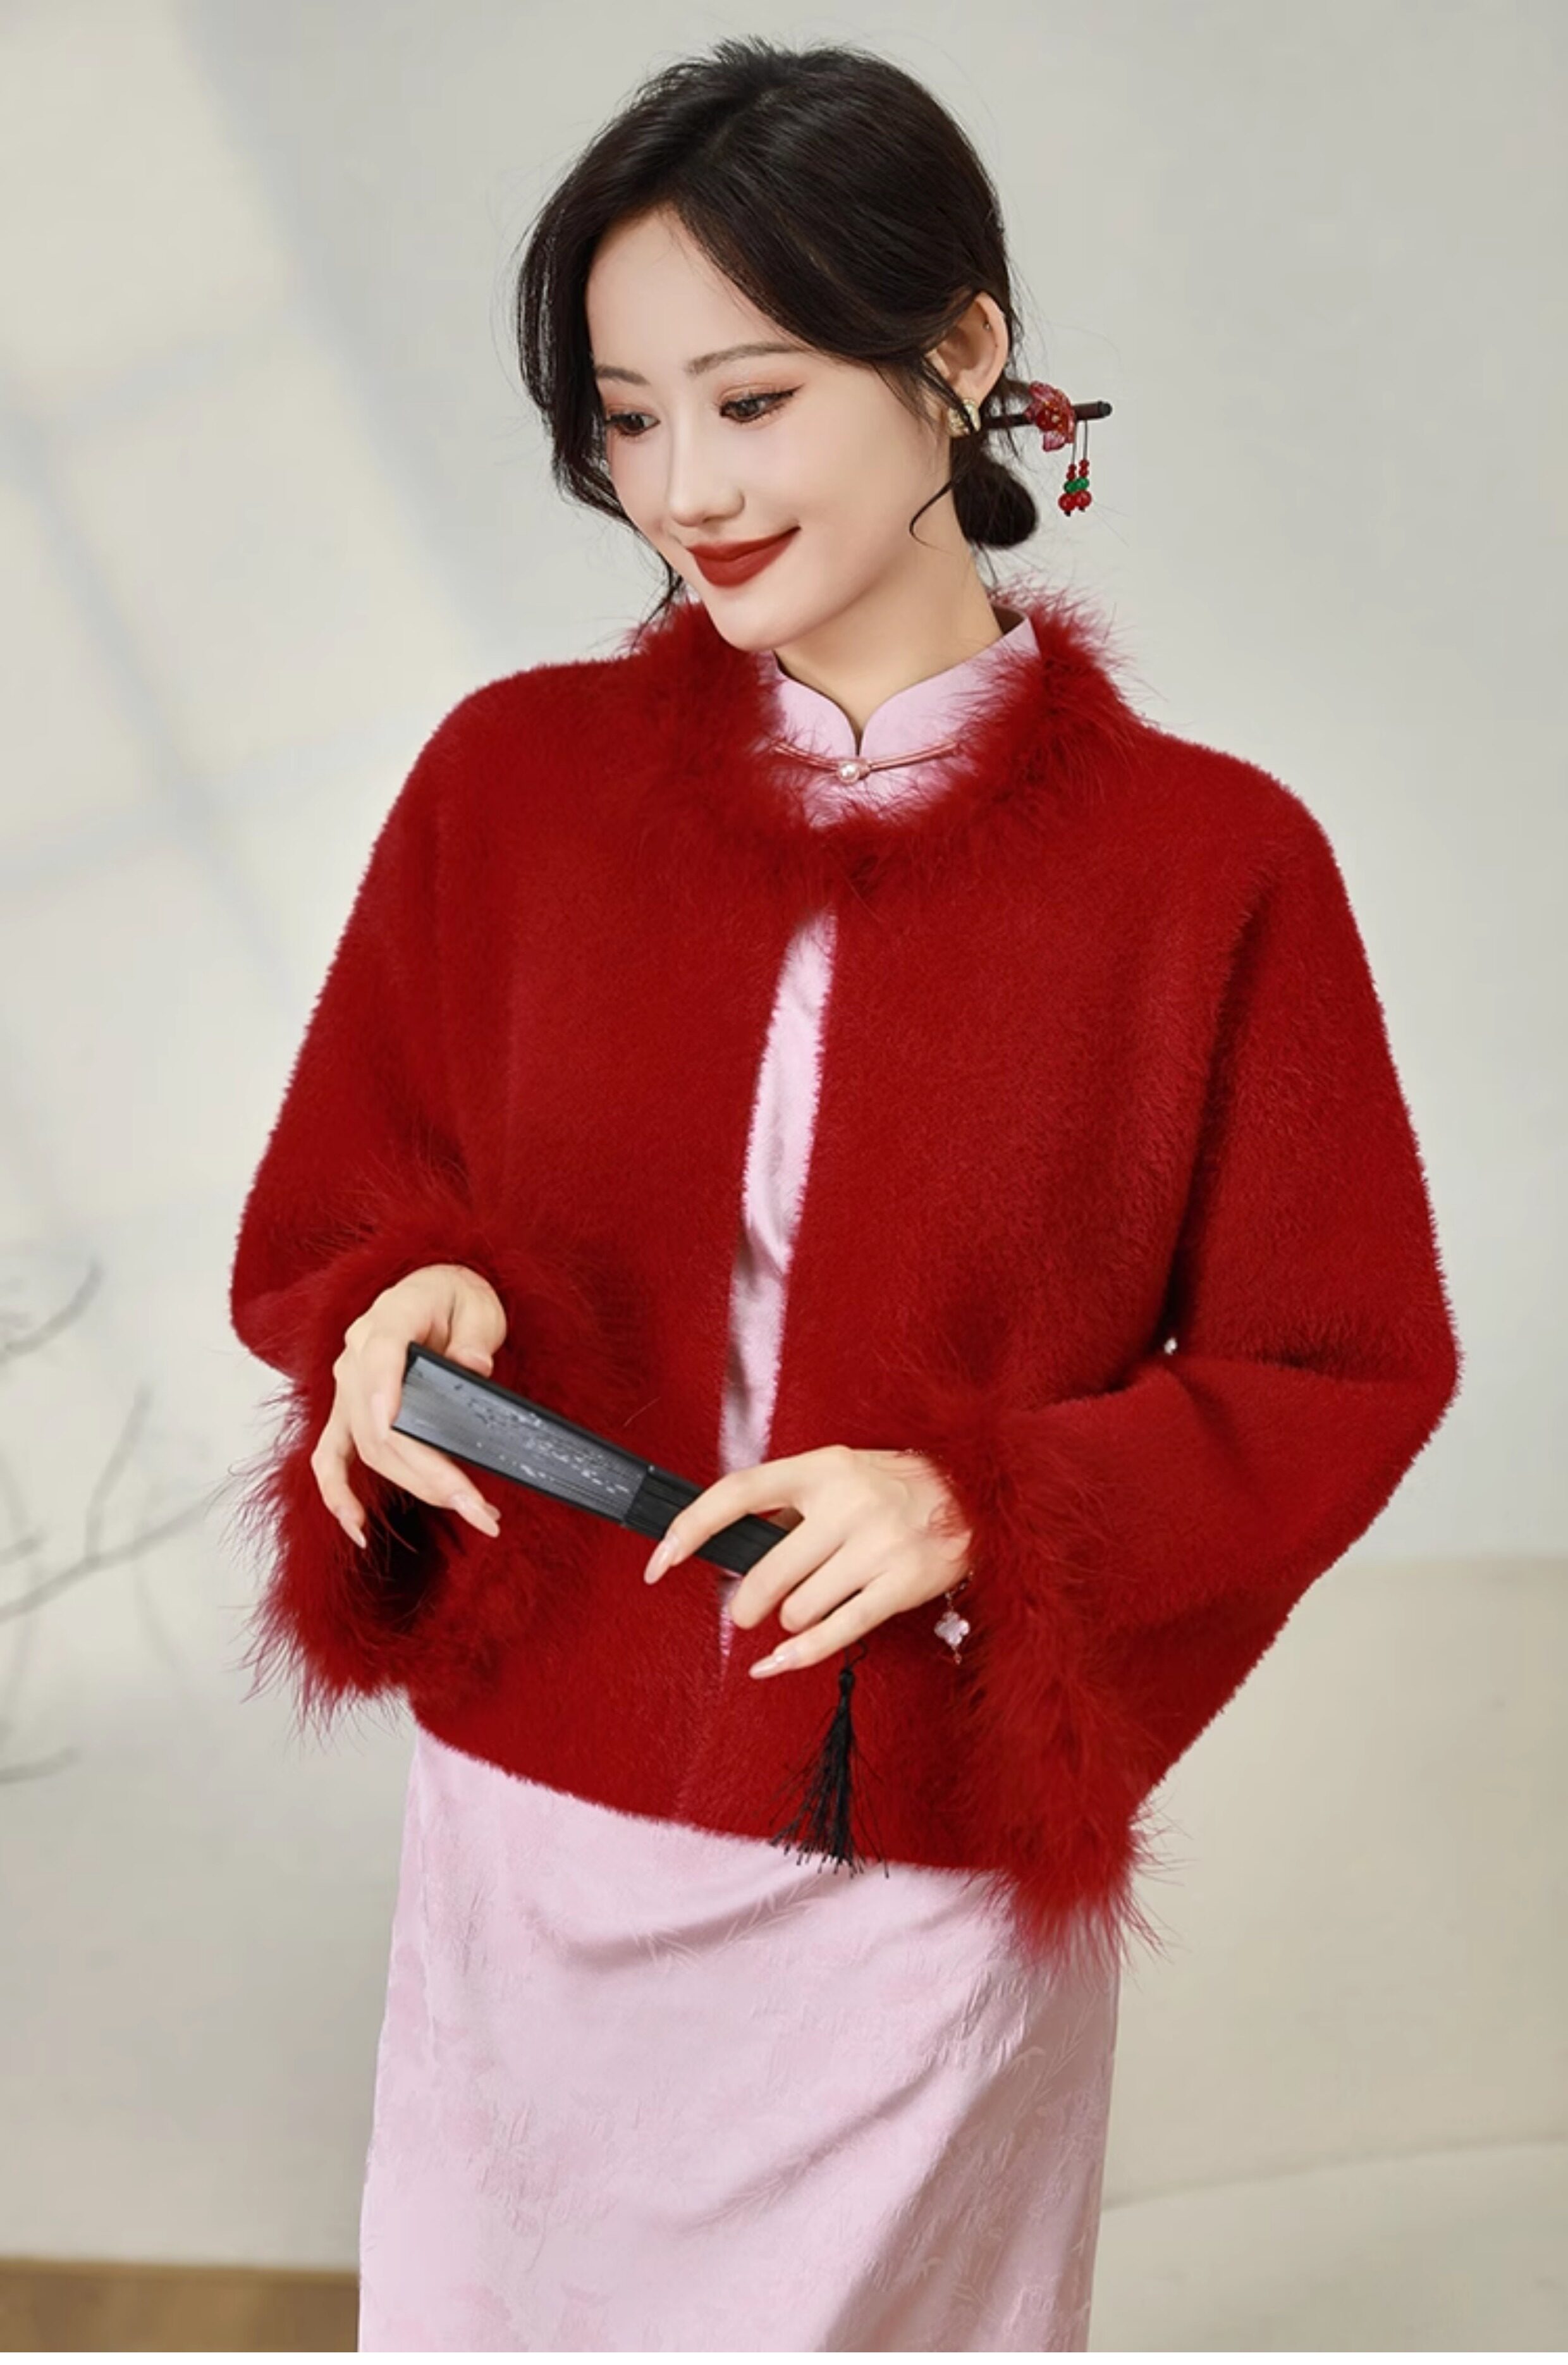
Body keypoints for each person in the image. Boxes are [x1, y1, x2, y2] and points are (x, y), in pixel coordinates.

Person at [224, 36, 1461, 2354]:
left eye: (755, 397)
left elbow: (1343, 1364)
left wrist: (991, 1500)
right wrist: (405, 1303)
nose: (684, 485)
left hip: (917, 1882)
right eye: (627, 416)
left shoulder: (1212, 867)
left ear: (960, 356)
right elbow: (329, 1215)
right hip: (533, 1841)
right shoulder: (512, 783)